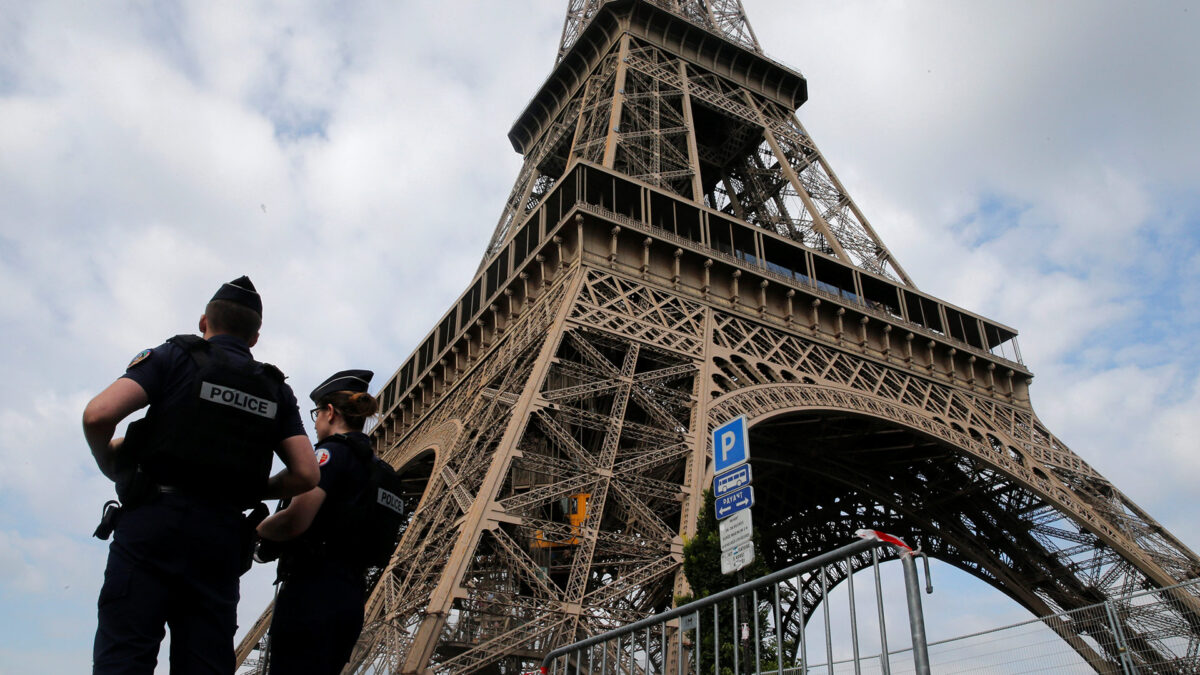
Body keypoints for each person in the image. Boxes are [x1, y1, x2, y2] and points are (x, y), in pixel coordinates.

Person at [83, 276, 320, 675]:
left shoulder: (174, 356)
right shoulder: (275, 388)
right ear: (255, 338)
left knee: (125, 656)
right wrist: (252, 486)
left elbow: (98, 414)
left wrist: (110, 462)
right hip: (221, 536)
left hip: (152, 523)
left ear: (203, 322)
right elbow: (306, 473)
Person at [256, 369, 381, 675]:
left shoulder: (329, 454)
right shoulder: (379, 470)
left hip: (312, 591)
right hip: (351, 598)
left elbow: (296, 520)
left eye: (316, 414)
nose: (314, 423)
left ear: (329, 412)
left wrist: (255, 530)